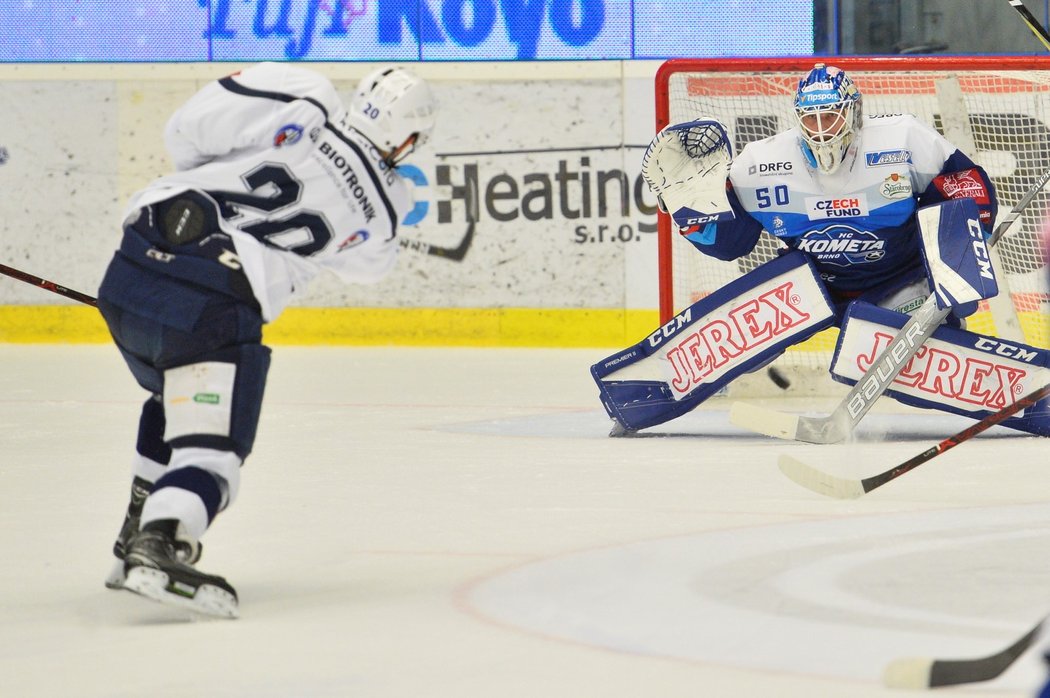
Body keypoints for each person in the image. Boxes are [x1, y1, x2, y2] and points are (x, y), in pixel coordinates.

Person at [97, 62, 436, 618]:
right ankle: (157, 545)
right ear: (408, 137)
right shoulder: (386, 211)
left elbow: (185, 132)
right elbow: (368, 268)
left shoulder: (305, 101)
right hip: (212, 305)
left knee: (169, 401)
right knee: (212, 455)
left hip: (136, 261)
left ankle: (134, 533)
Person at [594, 63, 1049, 436]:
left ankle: (1039, 398)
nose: (820, 128)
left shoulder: (902, 140)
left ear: (853, 113)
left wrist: (957, 256)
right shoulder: (761, 164)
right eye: (810, 118)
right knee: (740, 333)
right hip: (812, 284)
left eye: (829, 115)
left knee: (902, 347)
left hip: (899, 280)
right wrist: (692, 210)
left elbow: (966, 185)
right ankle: (636, 396)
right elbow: (733, 245)